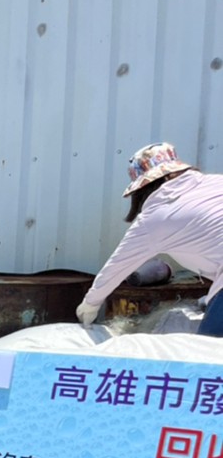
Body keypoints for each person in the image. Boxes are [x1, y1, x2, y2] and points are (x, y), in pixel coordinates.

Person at [75, 142, 223, 335]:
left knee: (208, 347)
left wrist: (90, 304)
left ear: (143, 188)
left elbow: (117, 266)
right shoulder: (217, 182)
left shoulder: (155, 216)